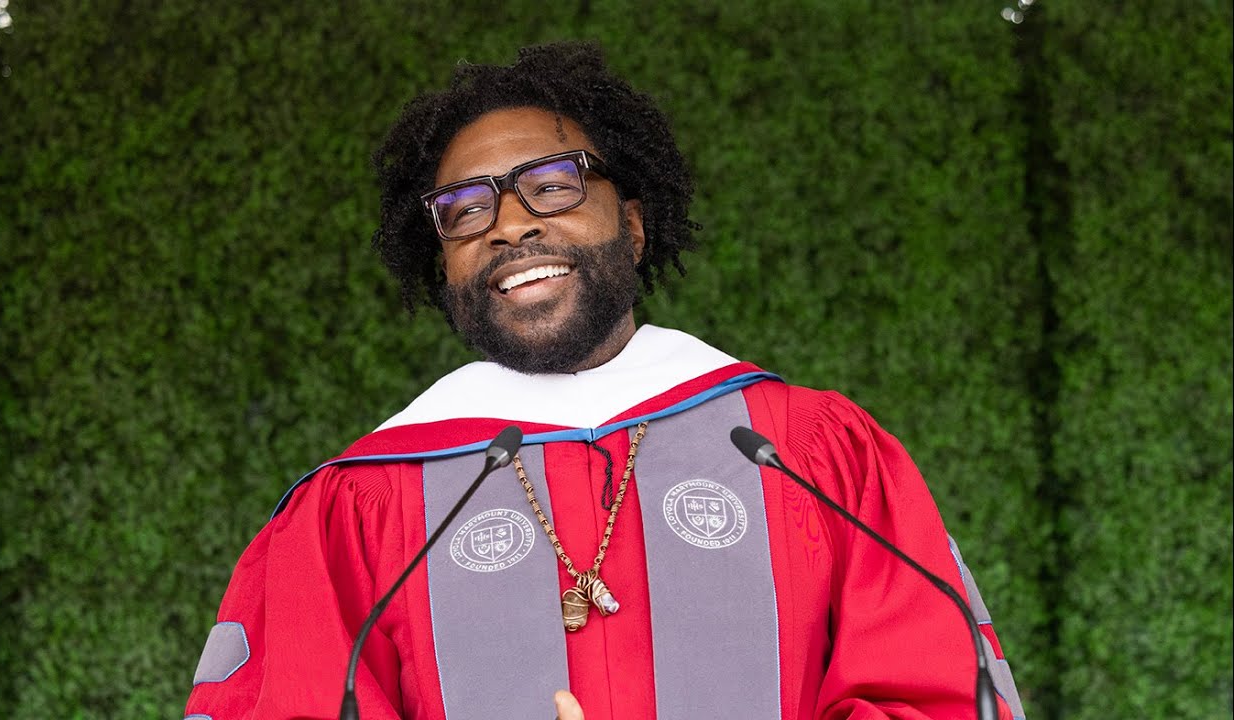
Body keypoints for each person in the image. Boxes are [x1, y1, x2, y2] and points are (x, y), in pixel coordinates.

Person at [184, 42, 1025, 720]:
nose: (510, 223)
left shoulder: (809, 454)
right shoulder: (356, 507)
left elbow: (936, 696)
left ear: (631, 226)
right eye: (464, 210)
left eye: (553, 185)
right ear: (441, 263)